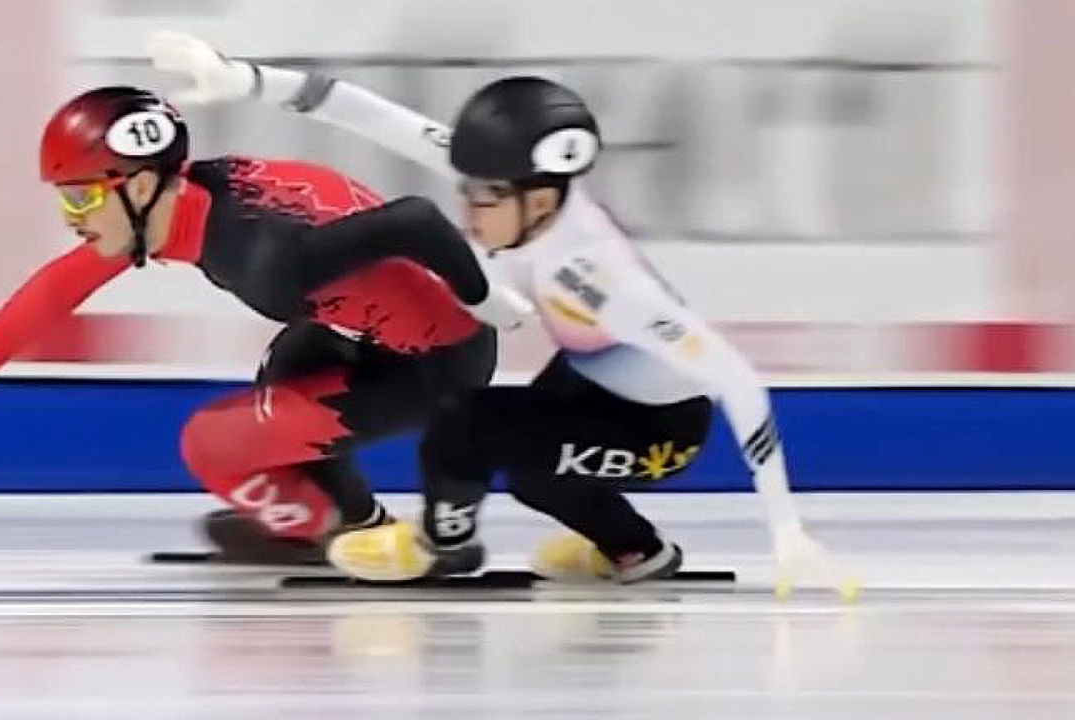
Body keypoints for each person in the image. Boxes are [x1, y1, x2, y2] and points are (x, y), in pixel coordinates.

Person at [149, 31, 854, 596]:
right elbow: (362, 110)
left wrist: (786, 530)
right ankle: (638, 552)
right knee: (529, 461)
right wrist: (238, 77)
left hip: (663, 429)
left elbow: (737, 380)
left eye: (483, 201)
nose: (468, 213)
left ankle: (437, 548)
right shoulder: (513, 194)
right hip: (590, 382)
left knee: (468, 430)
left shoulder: (600, 276)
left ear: (539, 202)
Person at [0, 84, 531, 566]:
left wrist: (483, 296)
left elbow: (415, 220)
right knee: (283, 371)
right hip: (366, 331)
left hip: (436, 360)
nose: (70, 216)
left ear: (142, 184)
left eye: (81, 195)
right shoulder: (197, 197)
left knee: (212, 445)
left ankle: (345, 532)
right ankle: (359, 526)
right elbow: (59, 285)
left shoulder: (267, 258)